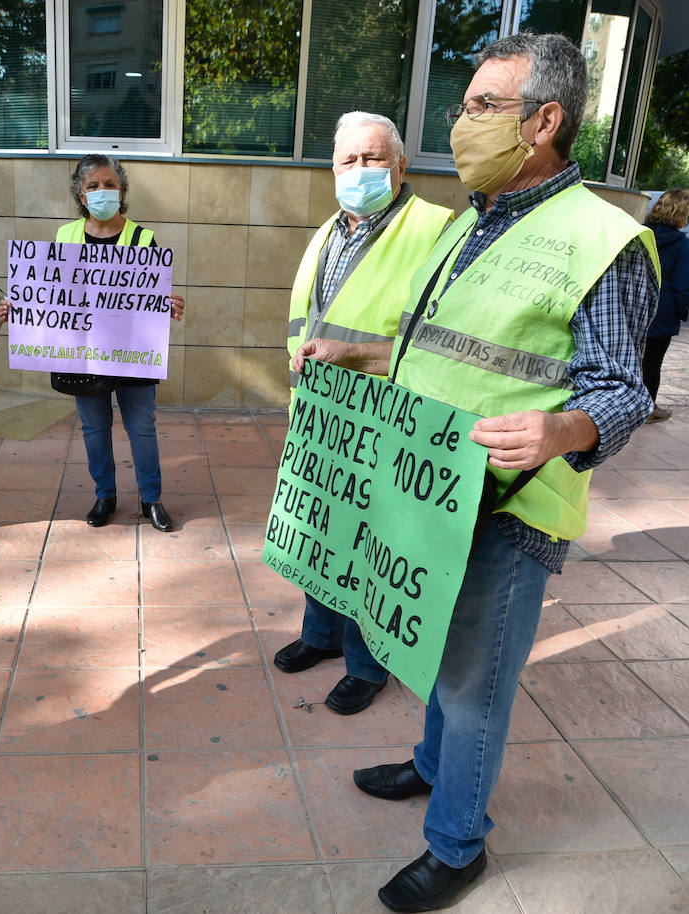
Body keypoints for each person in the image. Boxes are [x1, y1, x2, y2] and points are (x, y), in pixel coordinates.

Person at [292, 33, 657, 911]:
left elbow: (623, 392)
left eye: (482, 107)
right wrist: (362, 353)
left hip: (508, 505)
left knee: (474, 688)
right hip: (426, 485)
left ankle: (458, 847)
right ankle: (427, 767)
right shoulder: (469, 221)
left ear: (544, 122)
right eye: (463, 106)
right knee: (430, 652)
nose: (460, 125)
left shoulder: (604, 239)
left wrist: (560, 428)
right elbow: (440, 354)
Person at [273, 111, 453, 716]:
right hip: (323, 416)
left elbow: (441, 341)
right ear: (332, 171)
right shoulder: (330, 230)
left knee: (373, 546)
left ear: (401, 166)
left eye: (373, 158)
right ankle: (319, 636)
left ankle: (367, 664)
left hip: (387, 417)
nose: (360, 171)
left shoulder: (437, 230)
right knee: (323, 533)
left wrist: (357, 355)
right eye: (348, 160)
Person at [0, 154, 185, 532]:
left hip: (131, 353)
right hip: (83, 355)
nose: (102, 191)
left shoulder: (142, 238)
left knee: (141, 426)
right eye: (93, 186)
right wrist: (21, 306)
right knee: (94, 428)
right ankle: (105, 495)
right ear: (81, 196)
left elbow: (147, 294)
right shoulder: (65, 236)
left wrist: (167, 304)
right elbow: (50, 292)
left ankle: (151, 498)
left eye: (109, 184)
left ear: (122, 190)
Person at [643, 189, 689, 423]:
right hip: (662, 311)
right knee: (653, 362)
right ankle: (647, 408)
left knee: (629, 357)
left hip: (633, 306)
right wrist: (680, 313)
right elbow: (684, 284)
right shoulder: (682, 245)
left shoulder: (641, 235)